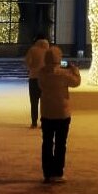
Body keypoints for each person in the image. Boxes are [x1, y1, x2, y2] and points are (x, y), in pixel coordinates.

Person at [38, 46, 80, 183]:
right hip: (62, 113)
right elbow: (76, 82)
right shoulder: (63, 74)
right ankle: (58, 172)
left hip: (47, 112)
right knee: (61, 143)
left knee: (47, 143)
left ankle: (47, 172)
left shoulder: (42, 73)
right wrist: (74, 70)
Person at [24, 35, 50, 128]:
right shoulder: (49, 51)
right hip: (45, 79)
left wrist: (32, 68)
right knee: (45, 103)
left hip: (34, 78)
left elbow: (27, 62)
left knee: (34, 102)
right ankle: (44, 122)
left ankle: (34, 122)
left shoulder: (32, 50)